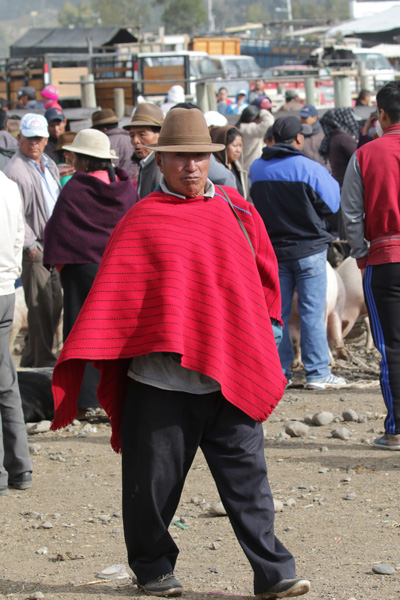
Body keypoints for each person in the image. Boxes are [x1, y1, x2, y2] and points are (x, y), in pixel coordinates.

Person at [50, 108, 311, 600]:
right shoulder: (142, 219)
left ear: (209, 159)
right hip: (161, 380)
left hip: (229, 372)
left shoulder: (235, 211)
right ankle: (152, 569)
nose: (190, 167)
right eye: (179, 158)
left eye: (198, 157)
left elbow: (261, 280)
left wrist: (262, 329)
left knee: (249, 483)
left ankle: (274, 573)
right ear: (162, 161)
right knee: (152, 488)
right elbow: (117, 297)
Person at [44, 129, 138, 420]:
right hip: (118, 268)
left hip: (82, 268)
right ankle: (121, 393)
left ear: (83, 161)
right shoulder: (125, 188)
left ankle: (84, 399)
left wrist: (62, 264)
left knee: (80, 331)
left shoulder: (75, 188)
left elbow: (58, 229)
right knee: (118, 331)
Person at [250, 116, 346, 390]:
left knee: (276, 313)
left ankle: (278, 372)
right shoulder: (310, 168)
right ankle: (317, 373)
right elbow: (333, 203)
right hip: (310, 251)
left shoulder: (257, 169)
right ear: (299, 139)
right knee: (312, 312)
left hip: (275, 251)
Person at [341, 80, 400, 450]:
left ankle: (396, 429)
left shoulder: (365, 154)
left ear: (380, 114)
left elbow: (351, 213)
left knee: (393, 347)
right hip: (383, 256)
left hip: (385, 261)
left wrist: (362, 254)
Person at [4, 114, 62, 368]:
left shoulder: (47, 163)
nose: (33, 143)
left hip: (51, 243)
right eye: (29, 138)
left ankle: (32, 359)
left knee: (53, 305)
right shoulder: (15, 171)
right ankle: (43, 362)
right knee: (40, 309)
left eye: (38, 138)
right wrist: (29, 245)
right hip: (36, 245)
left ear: (45, 139)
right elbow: (16, 214)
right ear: (19, 138)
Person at [0, 171, 33, 496]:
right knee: (6, 380)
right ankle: (19, 467)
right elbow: (18, 237)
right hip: (6, 291)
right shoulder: (9, 186)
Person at [123, 103, 164, 199]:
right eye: (132, 135)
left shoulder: (161, 167)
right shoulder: (146, 163)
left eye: (142, 134)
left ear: (159, 134)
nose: (135, 141)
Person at [92, 108, 136, 178]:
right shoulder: (132, 139)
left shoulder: (104, 142)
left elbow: (110, 168)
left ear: (103, 129)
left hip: (117, 184)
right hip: (133, 184)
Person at [211, 125, 248, 197]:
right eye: (235, 145)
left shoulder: (238, 169)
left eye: (240, 146)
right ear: (223, 145)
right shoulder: (215, 173)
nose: (238, 150)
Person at [237, 104, 274, 171]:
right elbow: (269, 123)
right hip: (251, 168)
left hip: (244, 167)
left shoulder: (240, 128)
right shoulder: (250, 128)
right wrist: (261, 111)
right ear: (254, 119)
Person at [298, 104, 328, 168]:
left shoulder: (325, 131)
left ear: (314, 118)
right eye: (301, 117)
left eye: (305, 118)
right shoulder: (299, 134)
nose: (302, 120)